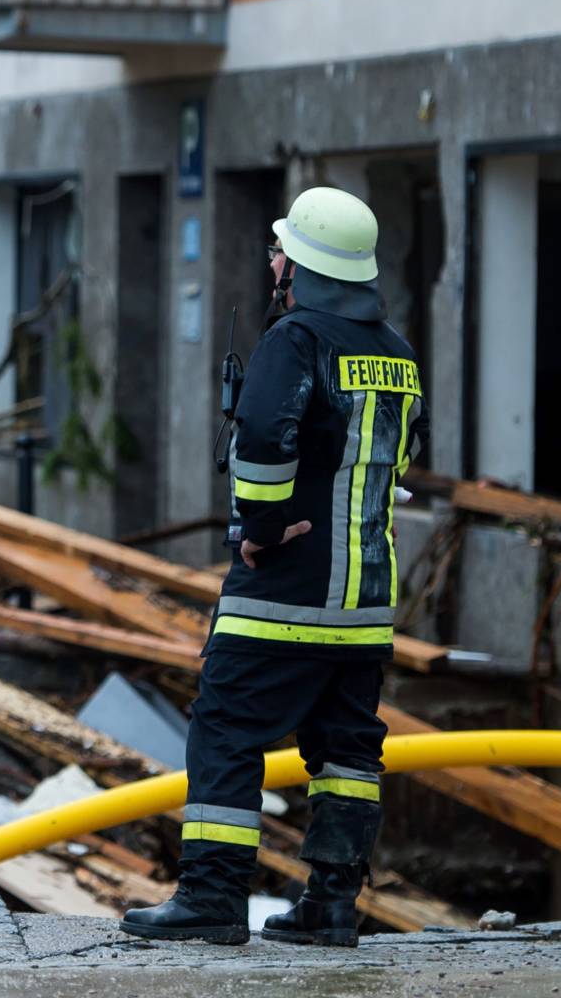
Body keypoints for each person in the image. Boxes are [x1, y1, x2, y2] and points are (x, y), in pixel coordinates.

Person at [119, 187, 426, 949]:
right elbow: (401, 456)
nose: (272, 262)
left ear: (303, 265)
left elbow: (260, 434)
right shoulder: (396, 352)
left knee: (225, 731)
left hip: (284, 590)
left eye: (279, 251)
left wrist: (259, 525)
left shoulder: (296, 339)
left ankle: (212, 898)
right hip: (365, 601)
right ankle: (330, 908)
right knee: (346, 751)